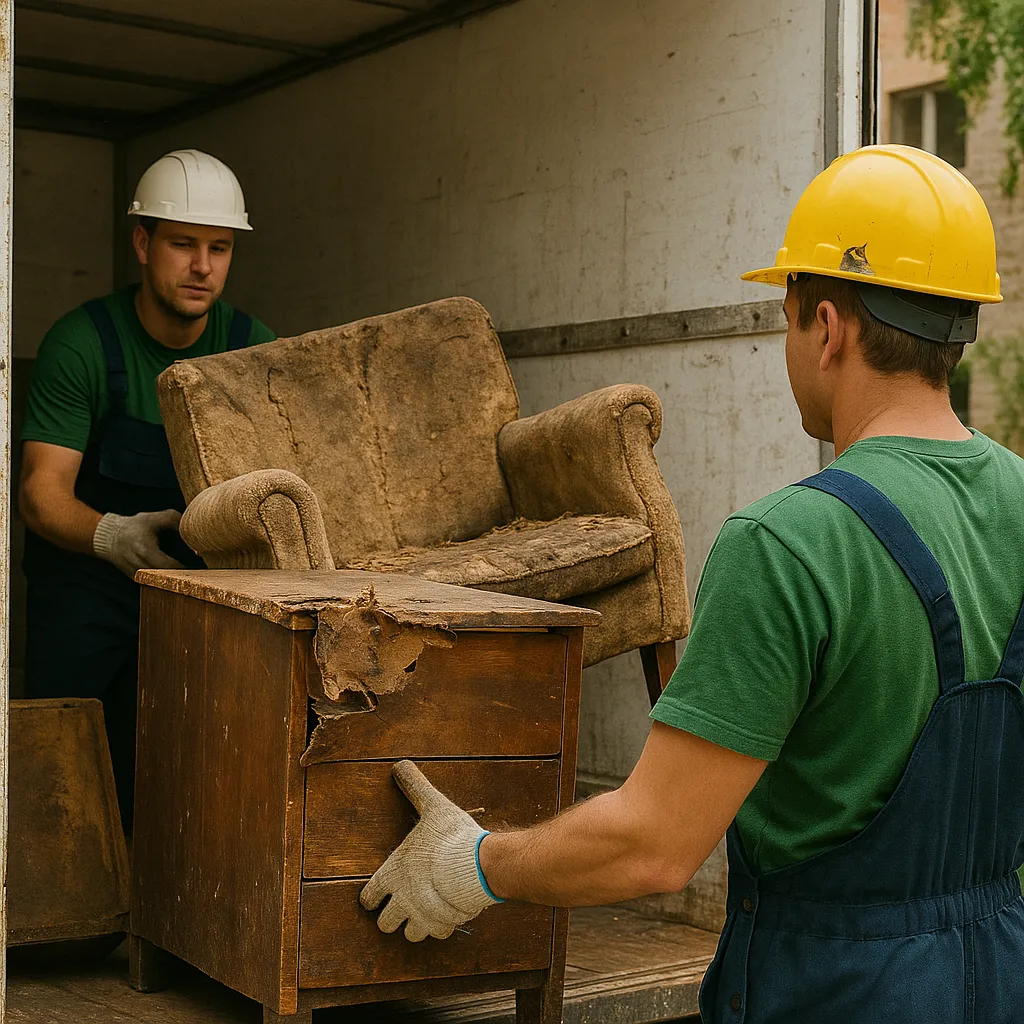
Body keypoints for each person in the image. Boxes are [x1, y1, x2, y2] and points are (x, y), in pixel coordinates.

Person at [360, 145, 1024, 1022]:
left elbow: (653, 849)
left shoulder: (789, 542)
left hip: (835, 994)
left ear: (828, 328)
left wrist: (474, 864)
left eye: (788, 319)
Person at [19, 150, 275, 829]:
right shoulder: (82, 344)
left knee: (197, 755)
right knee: (64, 761)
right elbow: (42, 494)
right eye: (183, 244)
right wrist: (114, 536)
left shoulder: (253, 350)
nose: (202, 267)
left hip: (200, 587)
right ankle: (64, 924)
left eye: (219, 248)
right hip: (86, 589)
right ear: (142, 243)